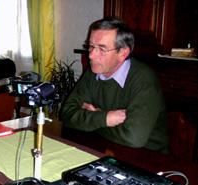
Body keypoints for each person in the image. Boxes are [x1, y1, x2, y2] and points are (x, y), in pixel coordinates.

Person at [61, 17, 168, 153]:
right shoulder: (94, 71)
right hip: (107, 149)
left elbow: (133, 137)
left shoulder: (143, 79)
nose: (91, 55)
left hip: (149, 158)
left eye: (101, 49)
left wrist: (93, 119)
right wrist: (106, 118)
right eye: (91, 46)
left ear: (122, 53)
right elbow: (66, 114)